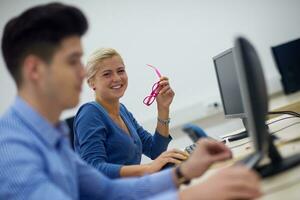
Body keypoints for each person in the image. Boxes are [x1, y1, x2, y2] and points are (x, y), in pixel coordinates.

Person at [0, 2, 262, 200]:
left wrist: (182, 173)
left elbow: (108, 190)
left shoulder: (51, 135)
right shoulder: (12, 150)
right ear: (34, 70)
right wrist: (192, 195)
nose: (81, 72)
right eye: (72, 61)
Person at [74, 47, 188, 178]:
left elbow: (155, 150)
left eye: (120, 71)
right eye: (107, 74)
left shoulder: (122, 110)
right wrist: (149, 168)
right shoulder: (90, 113)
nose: (117, 78)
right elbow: (95, 168)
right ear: (91, 82)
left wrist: (163, 109)